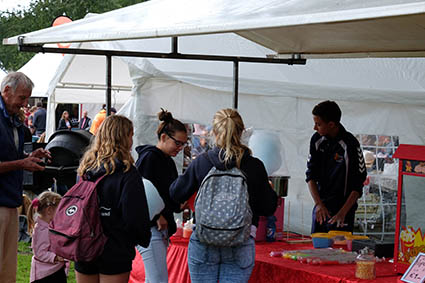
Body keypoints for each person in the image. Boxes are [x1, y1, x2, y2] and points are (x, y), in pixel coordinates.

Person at [170, 108, 278, 283]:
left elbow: (176, 193)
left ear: (214, 132)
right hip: (240, 242)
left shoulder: (202, 162)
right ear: (242, 132)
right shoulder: (254, 166)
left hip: (204, 240)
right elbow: (267, 207)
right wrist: (268, 189)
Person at [74, 115, 151, 283]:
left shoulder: (85, 170)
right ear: (124, 138)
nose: (132, 141)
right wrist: (142, 237)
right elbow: (135, 216)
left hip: (84, 245)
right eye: (131, 135)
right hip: (114, 248)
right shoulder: (127, 174)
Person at [0, 72, 51, 283]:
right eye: (22, 98)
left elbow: (8, 156)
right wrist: (22, 163)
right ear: (6, 91)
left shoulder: (13, 120)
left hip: (10, 201)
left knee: (7, 271)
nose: (25, 104)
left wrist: (29, 157)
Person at [135, 109, 188, 283]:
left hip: (160, 228)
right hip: (151, 228)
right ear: (164, 137)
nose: (180, 148)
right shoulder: (150, 158)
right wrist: (157, 215)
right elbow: (140, 191)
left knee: (155, 279)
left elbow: (167, 193)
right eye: (178, 143)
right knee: (158, 279)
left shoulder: (166, 161)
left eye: (183, 145)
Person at [306, 100, 367, 233]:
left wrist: (342, 213)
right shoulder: (316, 140)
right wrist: (319, 205)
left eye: (318, 124)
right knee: (316, 249)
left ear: (332, 124)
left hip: (343, 210)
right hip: (321, 207)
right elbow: (310, 177)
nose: (315, 128)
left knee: (340, 251)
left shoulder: (350, 144)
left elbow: (357, 184)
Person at [27, 191, 68, 283]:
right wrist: (55, 257)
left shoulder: (49, 227)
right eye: (60, 210)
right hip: (45, 275)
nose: (62, 214)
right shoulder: (41, 230)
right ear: (49, 210)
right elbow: (40, 253)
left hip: (54, 270)